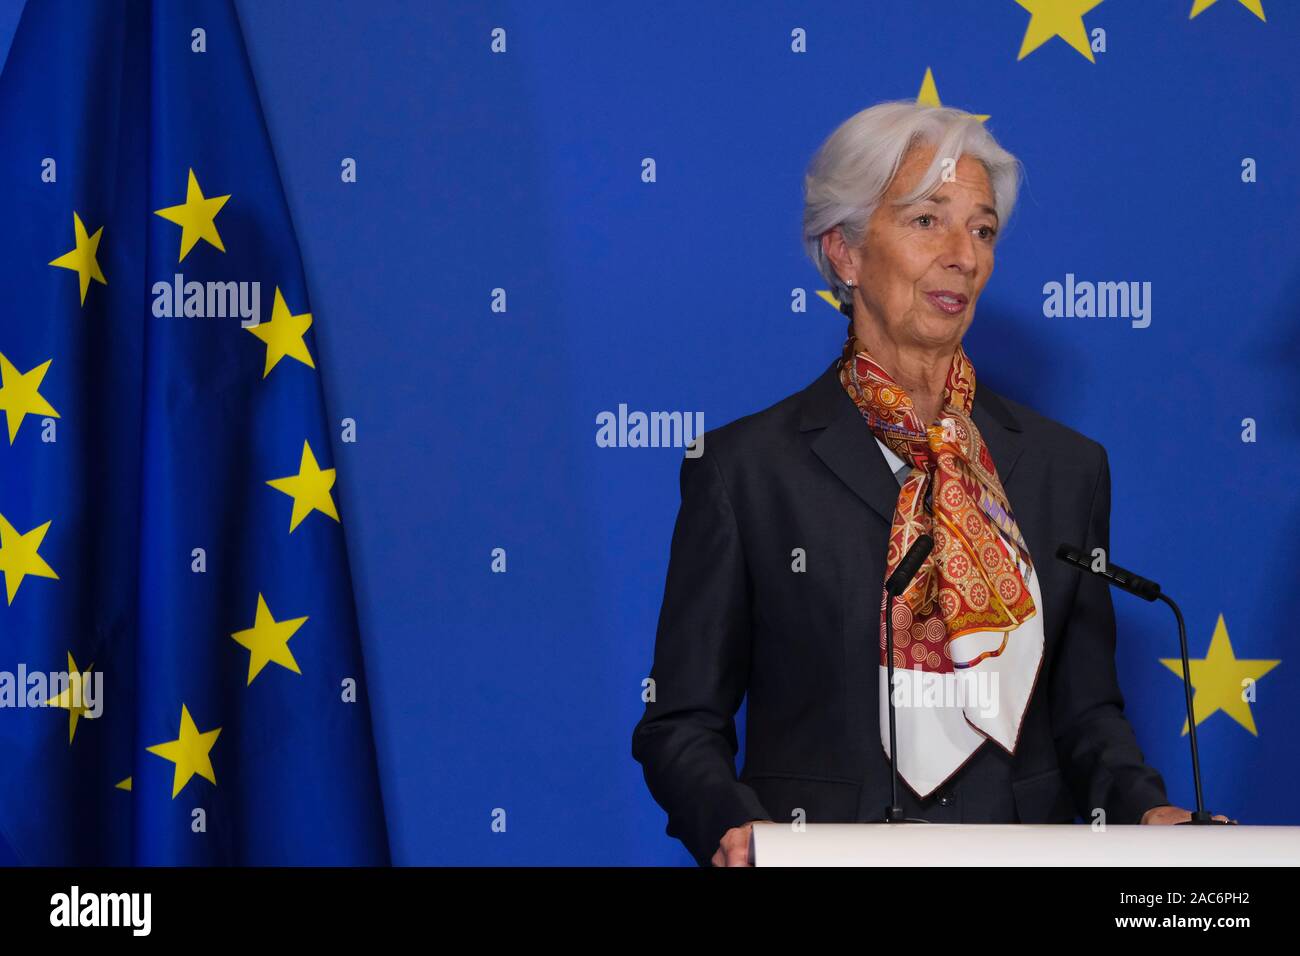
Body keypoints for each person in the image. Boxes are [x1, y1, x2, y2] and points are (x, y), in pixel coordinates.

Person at [631, 101, 1228, 868]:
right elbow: (679, 723)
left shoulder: (1065, 469)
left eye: (981, 230)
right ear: (844, 252)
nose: (963, 255)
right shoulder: (747, 472)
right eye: (926, 221)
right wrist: (735, 826)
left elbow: (1086, 717)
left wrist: (1147, 812)